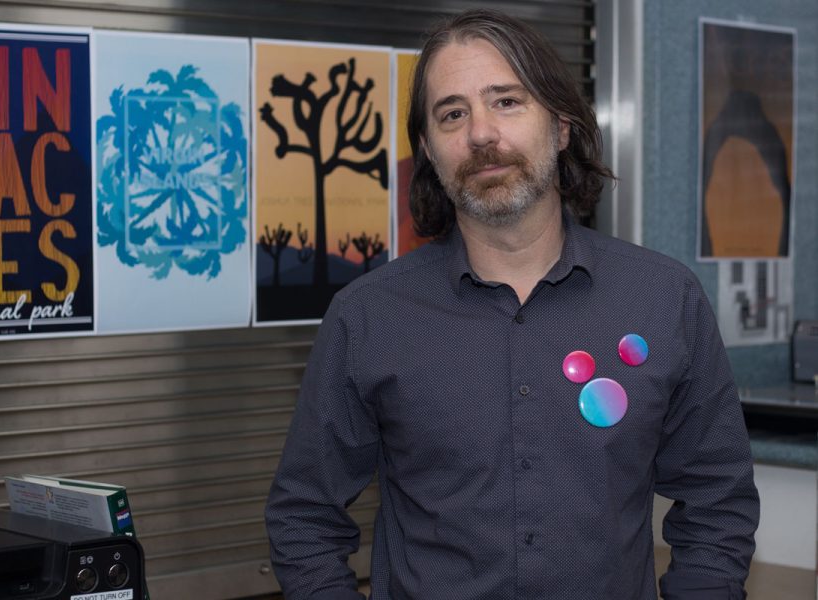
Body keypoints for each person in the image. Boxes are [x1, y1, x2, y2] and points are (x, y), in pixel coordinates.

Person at [265, 9, 759, 600]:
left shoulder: (662, 299)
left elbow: (718, 503)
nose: (480, 133)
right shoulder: (368, 317)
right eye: (453, 113)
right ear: (428, 148)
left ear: (562, 125)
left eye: (506, 101)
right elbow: (304, 519)